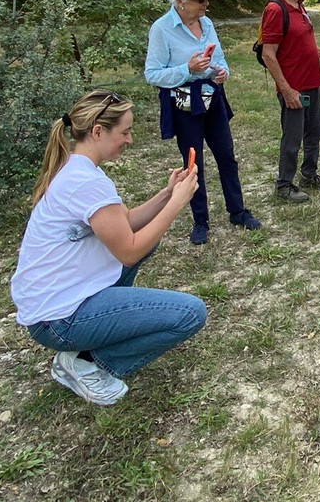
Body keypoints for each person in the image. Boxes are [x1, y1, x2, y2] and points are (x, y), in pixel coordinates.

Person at [10, 91, 207, 406]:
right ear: (98, 132)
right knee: (190, 314)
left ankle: (87, 346)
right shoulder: (86, 182)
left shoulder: (77, 169)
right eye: (125, 132)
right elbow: (129, 250)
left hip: (55, 303)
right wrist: (180, 202)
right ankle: (89, 363)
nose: (129, 139)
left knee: (148, 241)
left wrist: (168, 194)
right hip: (57, 320)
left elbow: (125, 222)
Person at [144, 0, 261, 246]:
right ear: (179, 1)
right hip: (184, 103)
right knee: (193, 163)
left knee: (226, 155)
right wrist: (187, 68)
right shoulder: (161, 29)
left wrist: (221, 72)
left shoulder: (206, 24)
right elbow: (152, 74)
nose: (206, 4)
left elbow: (220, 59)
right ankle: (200, 221)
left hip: (213, 97)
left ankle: (237, 211)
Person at [261, 0, 320, 203]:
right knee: (293, 137)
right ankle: (284, 185)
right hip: (294, 87)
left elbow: (298, 43)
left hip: (311, 83)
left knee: (314, 132)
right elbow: (268, 53)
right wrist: (286, 90)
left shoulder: (299, 6)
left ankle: (309, 174)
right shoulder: (275, 9)